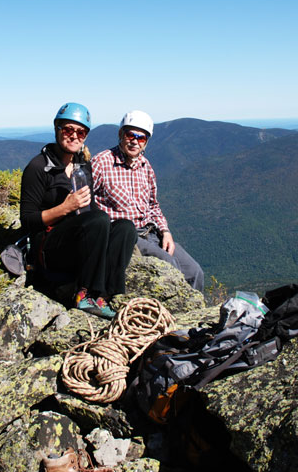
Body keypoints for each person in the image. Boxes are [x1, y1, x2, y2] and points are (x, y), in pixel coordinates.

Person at [19, 102, 137, 319]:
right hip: (49, 246)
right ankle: (84, 295)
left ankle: (107, 293)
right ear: (57, 130)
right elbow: (27, 220)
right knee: (99, 219)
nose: (74, 136)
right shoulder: (38, 167)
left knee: (125, 228)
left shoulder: (83, 167)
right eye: (68, 130)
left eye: (80, 132)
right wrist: (65, 207)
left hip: (75, 240)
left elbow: (88, 211)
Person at [91, 110, 205, 291]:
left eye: (141, 138)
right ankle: (171, 315)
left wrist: (165, 231)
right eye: (130, 135)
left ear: (146, 142)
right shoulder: (102, 162)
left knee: (195, 271)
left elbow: (153, 205)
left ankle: (193, 315)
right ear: (121, 135)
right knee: (170, 266)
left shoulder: (146, 167)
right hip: (125, 235)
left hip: (152, 232)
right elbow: (84, 201)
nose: (135, 141)